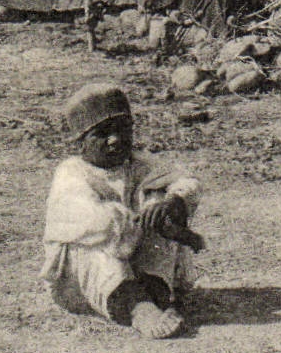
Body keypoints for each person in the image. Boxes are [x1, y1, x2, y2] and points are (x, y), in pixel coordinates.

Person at [41, 83, 202, 338]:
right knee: (94, 246)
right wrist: (149, 219)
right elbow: (96, 221)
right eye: (103, 134)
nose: (115, 140)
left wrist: (174, 204)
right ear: (81, 143)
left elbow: (186, 183)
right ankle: (140, 310)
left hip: (136, 263)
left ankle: (155, 296)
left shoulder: (140, 165)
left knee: (158, 199)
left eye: (122, 130)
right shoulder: (72, 173)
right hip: (86, 280)